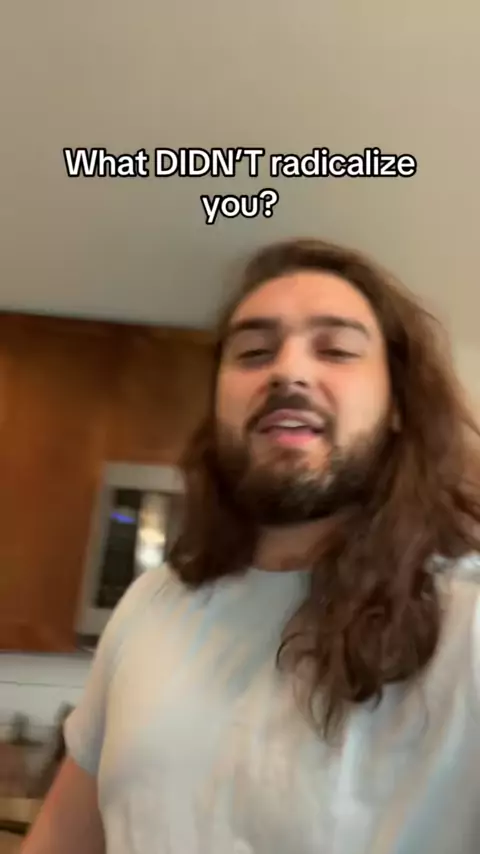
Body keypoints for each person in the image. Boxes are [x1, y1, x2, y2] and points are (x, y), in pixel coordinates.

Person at [22, 238, 480, 854]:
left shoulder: (468, 622)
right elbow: (61, 839)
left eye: (336, 349)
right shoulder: (151, 605)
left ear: (398, 405)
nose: (288, 371)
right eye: (254, 353)